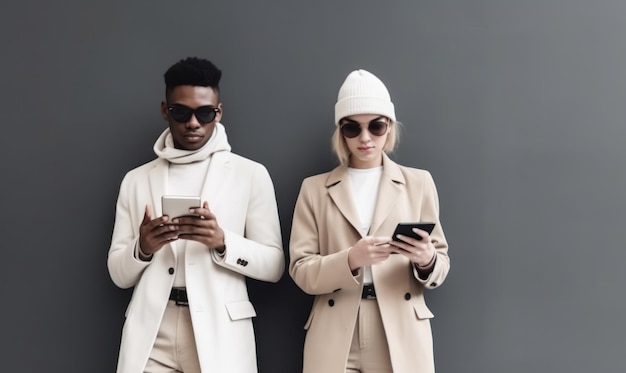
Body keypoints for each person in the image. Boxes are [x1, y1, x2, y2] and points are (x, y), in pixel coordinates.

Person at [107, 57, 284, 373]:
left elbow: (274, 265)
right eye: (181, 112)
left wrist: (222, 242)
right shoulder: (136, 180)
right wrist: (142, 248)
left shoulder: (250, 175)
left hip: (220, 332)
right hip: (152, 330)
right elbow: (118, 274)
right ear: (165, 111)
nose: (193, 123)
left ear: (219, 112)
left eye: (204, 113)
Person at [289, 69, 450, 373]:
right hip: (335, 327)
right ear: (341, 131)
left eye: (376, 126)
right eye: (353, 128)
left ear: (389, 127)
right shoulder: (314, 189)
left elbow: (441, 262)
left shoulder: (418, 183)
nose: (365, 138)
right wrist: (351, 259)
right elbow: (301, 270)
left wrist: (427, 259)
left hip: (400, 324)